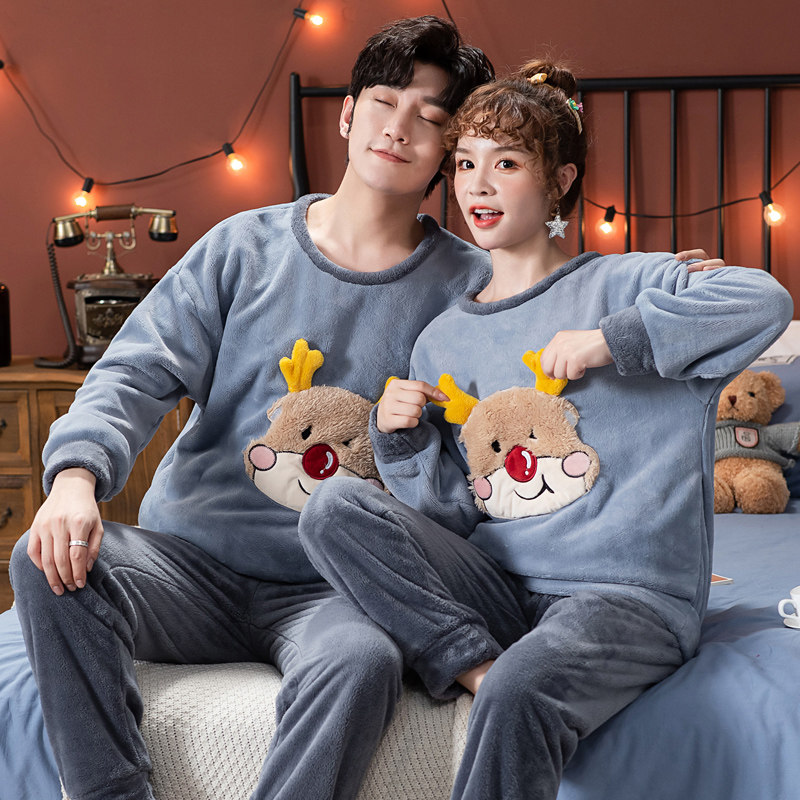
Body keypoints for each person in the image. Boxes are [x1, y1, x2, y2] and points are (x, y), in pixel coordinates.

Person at [8, 17, 496, 800]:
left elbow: (550, 347)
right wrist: (73, 479)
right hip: (189, 568)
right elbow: (132, 373)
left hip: (337, 590)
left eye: (431, 118)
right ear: (348, 114)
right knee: (43, 559)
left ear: (450, 152)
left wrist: (654, 290)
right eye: (383, 102)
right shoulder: (242, 248)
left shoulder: (471, 285)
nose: (399, 129)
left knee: (365, 662)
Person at [297, 60, 794, 799]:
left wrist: (612, 341)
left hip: (624, 598)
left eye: (506, 164)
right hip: (497, 591)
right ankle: (472, 663)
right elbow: (453, 515)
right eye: (466, 164)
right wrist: (400, 442)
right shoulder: (441, 340)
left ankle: (502, 681)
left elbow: (766, 301)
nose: (478, 185)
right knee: (333, 506)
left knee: (521, 691)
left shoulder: (629, 283)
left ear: (559, 180)